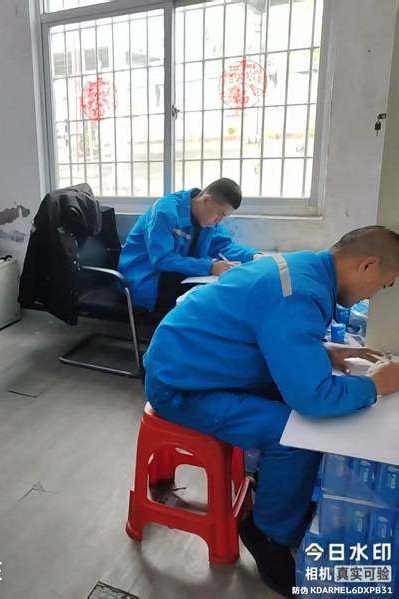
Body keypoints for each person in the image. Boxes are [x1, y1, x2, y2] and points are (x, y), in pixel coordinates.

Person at [142, 225, 399, 597]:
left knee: (301, 411)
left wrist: (323, 351)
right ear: (368, 265)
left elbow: (266, 327)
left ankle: (279, 498)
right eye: (383, 285)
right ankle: (266, 534)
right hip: (182, 385)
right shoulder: (301, 293)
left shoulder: (304, 267)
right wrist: (375, 385)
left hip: (201, 360)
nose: (375, 294)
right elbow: (313, 398)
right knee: (295, 437)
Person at [118, 178, 264, 323]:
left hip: (177, 276)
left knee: (215, 297)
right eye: (219, 214)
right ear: (206, 200)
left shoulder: (207, 219)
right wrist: (211, 267)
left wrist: (253, 256)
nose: (219, 221)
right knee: (200, 306)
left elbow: (222, 245)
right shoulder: (165, 211)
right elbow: (161, 260)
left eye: (224, 217)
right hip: (145, 279)